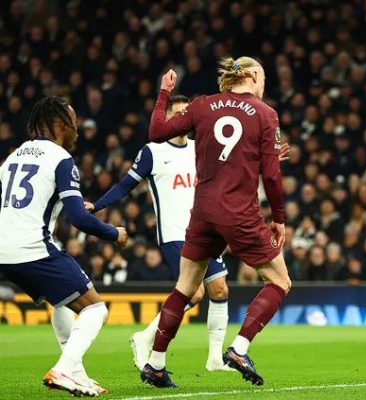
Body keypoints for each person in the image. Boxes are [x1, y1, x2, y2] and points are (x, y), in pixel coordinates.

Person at [140, 57, 291, 388]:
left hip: (203, 212)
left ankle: (155, 363)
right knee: (280, 282)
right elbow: (271, 175)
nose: (264, 85)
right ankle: (239, 348)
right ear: (252, 75)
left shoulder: (202, 105)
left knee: (184, 287)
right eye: (262, 77)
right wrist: (278, 218)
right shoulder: (266, 115)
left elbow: (156, 132)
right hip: (239, 211)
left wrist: (165, 93)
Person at [86, 95, 232, 372]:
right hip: (175, 233)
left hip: (205, 231)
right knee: (196, 292)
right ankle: (145, 338)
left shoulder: (201, 147)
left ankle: (214, 358)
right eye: (175, 114)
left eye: (185, 114)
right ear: (166, 118)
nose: (181, 119)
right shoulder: (153, 151)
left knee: (220, 289)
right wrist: (98, 204)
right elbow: (125, 185)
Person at [0, 96, 128, 396]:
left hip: (4, 250)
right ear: (61, 125)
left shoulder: (14, 156)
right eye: (74, 122)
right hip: (32, 248)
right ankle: (63, 369)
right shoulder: (61, 158)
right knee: (95, 308)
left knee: (61, 301)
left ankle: (77, 374)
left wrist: (60, 201)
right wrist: (114, 234)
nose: (78, 130)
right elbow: (79, 220)